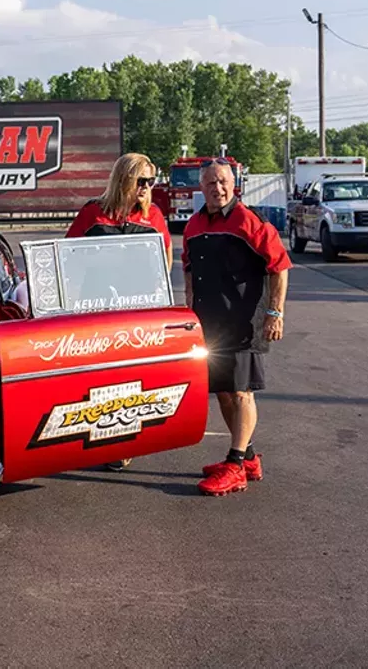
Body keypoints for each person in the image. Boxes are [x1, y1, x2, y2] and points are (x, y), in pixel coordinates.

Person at [183, 158, 291, 496]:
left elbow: (280, 267)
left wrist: (275, 313)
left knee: (242, 392)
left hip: (244, 321)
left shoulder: (249, 221)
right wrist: (189, 315)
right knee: (225, 394)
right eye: (210, 183)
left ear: (234, 184)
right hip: (210, 323)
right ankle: (248, 457)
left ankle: (234, 465)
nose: (217, 188)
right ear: (201, 188)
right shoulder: (193, 225)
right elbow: (188, 272)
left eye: (222, 181)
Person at [65, 152, 172, 471]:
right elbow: (67, 256)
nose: (146, 187)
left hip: (136, 311)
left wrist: (158, 301)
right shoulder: (93, 213)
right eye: (141, 180)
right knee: (99, 375)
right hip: (95, 309)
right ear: (123, 178)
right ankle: (101, 433)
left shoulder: (153, 215)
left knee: (132, 376)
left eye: (150, 181)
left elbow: (165, 260)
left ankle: (122, 441)